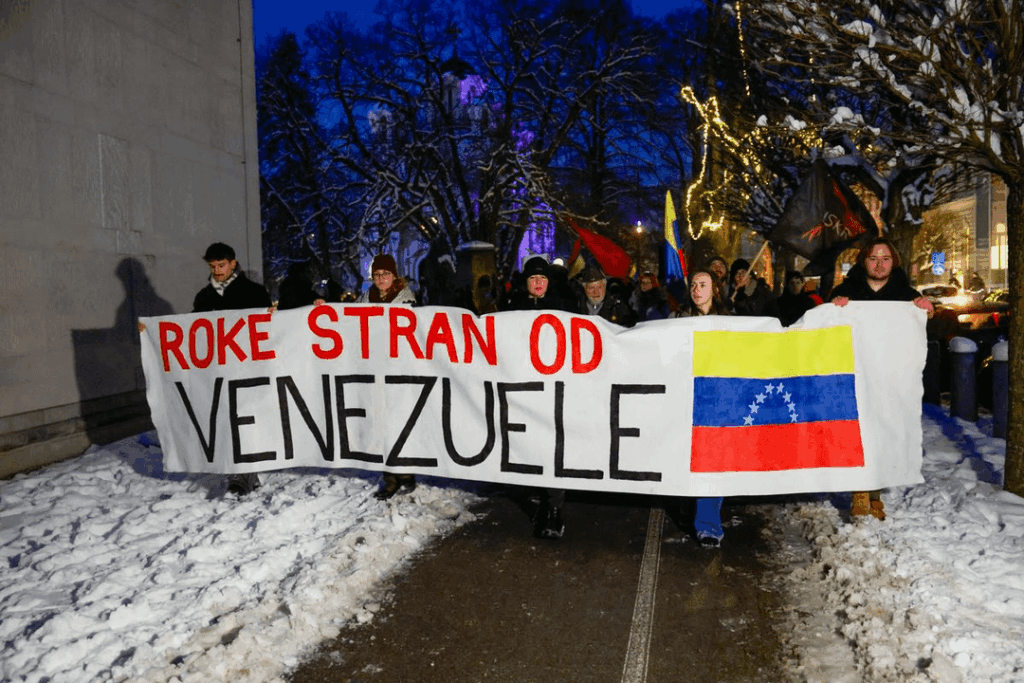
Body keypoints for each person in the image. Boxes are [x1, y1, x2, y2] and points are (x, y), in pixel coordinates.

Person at [831, 237, 934, 521]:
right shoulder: (846, 291)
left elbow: (917, 330)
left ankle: (874, 492)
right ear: (864, 261)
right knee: (858, 432)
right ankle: (860, 492)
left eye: (885, 258)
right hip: (855, 375)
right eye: (873, 258)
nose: (879, 264)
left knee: (883, 432)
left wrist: (924, 311)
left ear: (894, 262)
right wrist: (834, 307)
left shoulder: (907, 295)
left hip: (888, 379)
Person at [502, 256, 576, 538]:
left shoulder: (564, 307)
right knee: (529, 443)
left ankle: (555, 509)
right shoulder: (513, 309)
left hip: (554, 388)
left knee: (552, 446)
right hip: (524, 388)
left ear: (548, 282)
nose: (537, 283)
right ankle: (538, 494)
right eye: (533, 278)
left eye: (542, 279)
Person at [192, 243, 273, 497]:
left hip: (247, 367)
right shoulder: (204, 297)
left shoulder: (253, 292)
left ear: (233, 263)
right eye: (212, 266)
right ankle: (239, 471)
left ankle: (243, 474)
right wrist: (153, 333)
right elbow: (191, 330)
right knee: (227, 419)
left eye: (221, 265)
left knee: (246, 419)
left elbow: (268, 329)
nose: (217, 270)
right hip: (219, 369)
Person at [672, 269, 729, 547]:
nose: (697, 289)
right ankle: (688, 506)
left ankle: (708, 525)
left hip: (717, 399)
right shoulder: (676, 321)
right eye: (693, 284)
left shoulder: (731, 322)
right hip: (684, 396)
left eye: (703, 285)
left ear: (714, 290)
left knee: (711, 460)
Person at [359, 254, 418, 500]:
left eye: (385, 274)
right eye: (377, 275)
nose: (381, 279)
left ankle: (406, 470)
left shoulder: (407, 298)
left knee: (400, 420)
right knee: (381, 421)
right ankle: (390, 476)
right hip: (375, 368)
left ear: (395, 275)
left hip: (399, 367)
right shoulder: (365, 299)